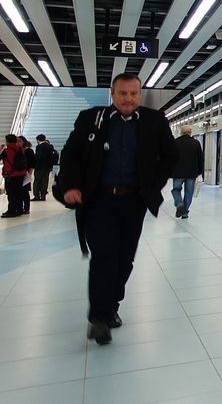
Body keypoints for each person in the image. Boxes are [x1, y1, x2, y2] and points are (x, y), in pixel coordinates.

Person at [60, 73, 178, 344]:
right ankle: (99, 318)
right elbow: (70, 155)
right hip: (100, 202)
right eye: (123, 94)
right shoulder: (91, 118)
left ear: (139, 94)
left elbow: (170, 156)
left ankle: (111, 305)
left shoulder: (154, 121)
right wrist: (70, 185)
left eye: (134, 94)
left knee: (125, 259)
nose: (128, 99)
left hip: (134, 202)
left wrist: (152, 184)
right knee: (104, 255)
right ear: (112, 94)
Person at [171, 125, 204, 219]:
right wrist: (200, 171)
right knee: (189, 193)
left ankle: (179, 204)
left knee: (176, 190)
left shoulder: (175, 142)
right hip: (191, 173)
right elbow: (200, 159)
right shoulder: (196, 143)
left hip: (178, 173)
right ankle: (185, 213)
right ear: (190, 132)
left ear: (181, 132)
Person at [2, 134, 29, 218]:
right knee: (18, 192)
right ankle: (19, 210)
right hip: (21, 173)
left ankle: (12, 211)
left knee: (11, 194)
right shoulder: (20, 149)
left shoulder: (6, 150)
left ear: (8, 141)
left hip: (11, 174)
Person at [32, 134, 58, 201]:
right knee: (45, 182)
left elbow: (38, 157)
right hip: (47, 167)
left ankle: (37, 196)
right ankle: (43, 196)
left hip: (39, 167)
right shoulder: (49, 146)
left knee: (37, 181)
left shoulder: (39, 147)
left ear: (38, 139)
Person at [18, 136, 35, 214]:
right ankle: (20, 208)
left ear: (24, 142)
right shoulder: (18, 150)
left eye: (20, 141)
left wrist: (30, 173)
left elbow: (32, 163)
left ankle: (26, 208)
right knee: (19, 191)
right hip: (18, 174)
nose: (18, 142)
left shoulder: (28, 151)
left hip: (26, 173)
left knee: (25, 192)